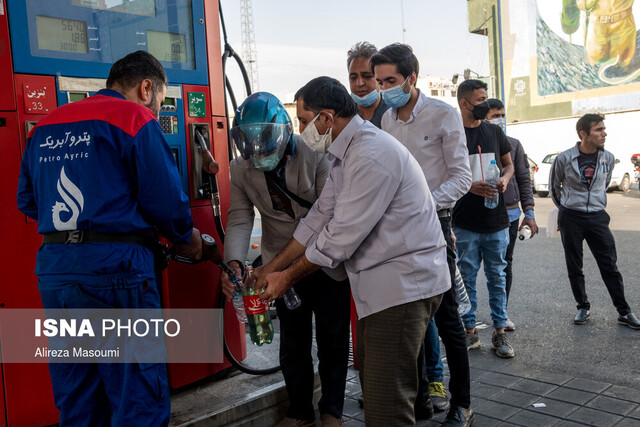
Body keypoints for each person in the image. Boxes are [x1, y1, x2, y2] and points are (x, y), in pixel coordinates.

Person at [17, 50, 202, 426]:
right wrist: (186, 237)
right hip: (117, 273)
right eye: (160, 103)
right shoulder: (134, 118)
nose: (156, 111)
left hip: (57, 276)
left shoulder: (47, 125)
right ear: (146, 88)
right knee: (138, 397)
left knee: (79, 399)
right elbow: (166, 203)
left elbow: (27, 201)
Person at [251, 76, 450, 426]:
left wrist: (286, 278)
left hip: (401, 289)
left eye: (303, 120)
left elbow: (338, 239)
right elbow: (317, 218)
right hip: (383, 290)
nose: (301, 129)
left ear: (327, 119)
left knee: (387, 408)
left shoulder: (370, 154)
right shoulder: (347, 154)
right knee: (380, 395)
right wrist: (271, 269)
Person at [221, 92, 351, 427]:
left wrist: (295, 265)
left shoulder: (316, 152)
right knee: (292, 342)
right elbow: (239, 218)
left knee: (332, 340)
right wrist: (234, 263)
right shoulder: (240, 168)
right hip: (276, 263)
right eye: (252, 152)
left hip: (324, 260)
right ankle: (299, 412)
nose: (259, 157)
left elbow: (330, 214)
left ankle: (332, 411)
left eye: (266, 150)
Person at [371, 42, 474, 427]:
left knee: (446, 318)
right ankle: (417, 402)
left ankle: (462, 403)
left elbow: (462, 176)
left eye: (390, 80)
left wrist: (423, 204)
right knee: (406, 315)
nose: (383, 89)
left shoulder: (443, 115)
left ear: (411, 78)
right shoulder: (386, 121)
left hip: (436, 225)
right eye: (380, 81)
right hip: (398, 230)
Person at [550, 113, 640, 329]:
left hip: (598, 217)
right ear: (584, 134)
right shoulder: (564, 159)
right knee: (575, 264)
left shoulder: (608, 157)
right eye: (599, 129)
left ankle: (624, 312)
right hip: (571, 217)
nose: (604, 133)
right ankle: (582, 306)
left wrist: (596, 205)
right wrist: (566, 209)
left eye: (603, 128)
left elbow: (605, 182)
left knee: (609, 264)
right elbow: (555, 187)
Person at [453, 79, 515, 358]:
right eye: (480, 100)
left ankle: (500, 332)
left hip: (496, 220)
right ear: (465, 103)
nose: (486, 105)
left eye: (486, 98)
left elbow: (509, 164)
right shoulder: (452, 134)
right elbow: (443, 174)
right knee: (465, 280)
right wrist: (469, 186)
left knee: (497, 277)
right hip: (464, 222)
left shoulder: (493, 131)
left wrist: (504, 179)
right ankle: (470, 332)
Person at [486, 99, 539, 331]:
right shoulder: (473, 141)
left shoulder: (514, 144)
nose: (500, 118)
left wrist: (529, 211)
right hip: (480, 215)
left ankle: (502, 313)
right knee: (471, 267)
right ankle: (466, 319)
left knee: (504, 265)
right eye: (495, 115)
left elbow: (524, 180)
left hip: (510, 213)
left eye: (502, 114)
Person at [347, 41, 389, 128]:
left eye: (367, 76)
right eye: (353, 77)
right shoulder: (342, 116)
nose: (359, 83)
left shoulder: (393, 114)